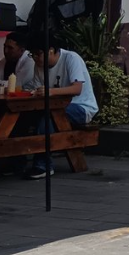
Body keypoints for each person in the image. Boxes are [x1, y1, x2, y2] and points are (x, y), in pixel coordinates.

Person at [22, 34, 99, 179]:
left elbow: (77, 89)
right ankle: (16, 161)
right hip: (55, 107)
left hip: (81, 107)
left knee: (47, 118)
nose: (36, 59)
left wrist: (50, 92)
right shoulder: (39, 66)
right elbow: (36, 86)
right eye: (33, 55)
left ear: (50, 50)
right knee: (27, 115)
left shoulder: (71, 58)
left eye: (38, 54)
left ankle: (43, 164)